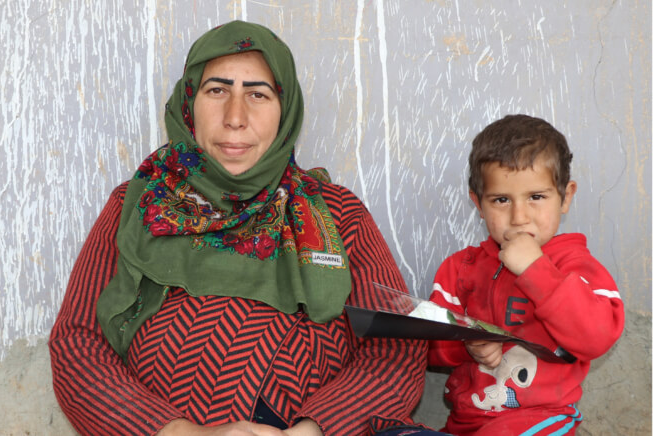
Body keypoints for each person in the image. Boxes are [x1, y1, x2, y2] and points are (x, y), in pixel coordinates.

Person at [49, 21, 432, 436]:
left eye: (257, 94)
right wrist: (183, 433)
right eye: (217, 91)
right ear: (189, 104)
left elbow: (397, 345)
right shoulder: (139, 206)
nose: (235, 117)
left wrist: (314, 430)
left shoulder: (337, 214)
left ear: (285, 113)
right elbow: (77, 343)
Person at [427, 114, 625, 435]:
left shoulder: (575, 265)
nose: (519, 218)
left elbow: (597, 337)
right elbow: (426, 345)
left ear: (566, 196)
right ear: (478, 203)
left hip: (543, 419)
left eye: (536, 197)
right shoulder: (459, 268)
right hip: (466, 421)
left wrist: (536, 269)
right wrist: (465, 344)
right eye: (501, 200)